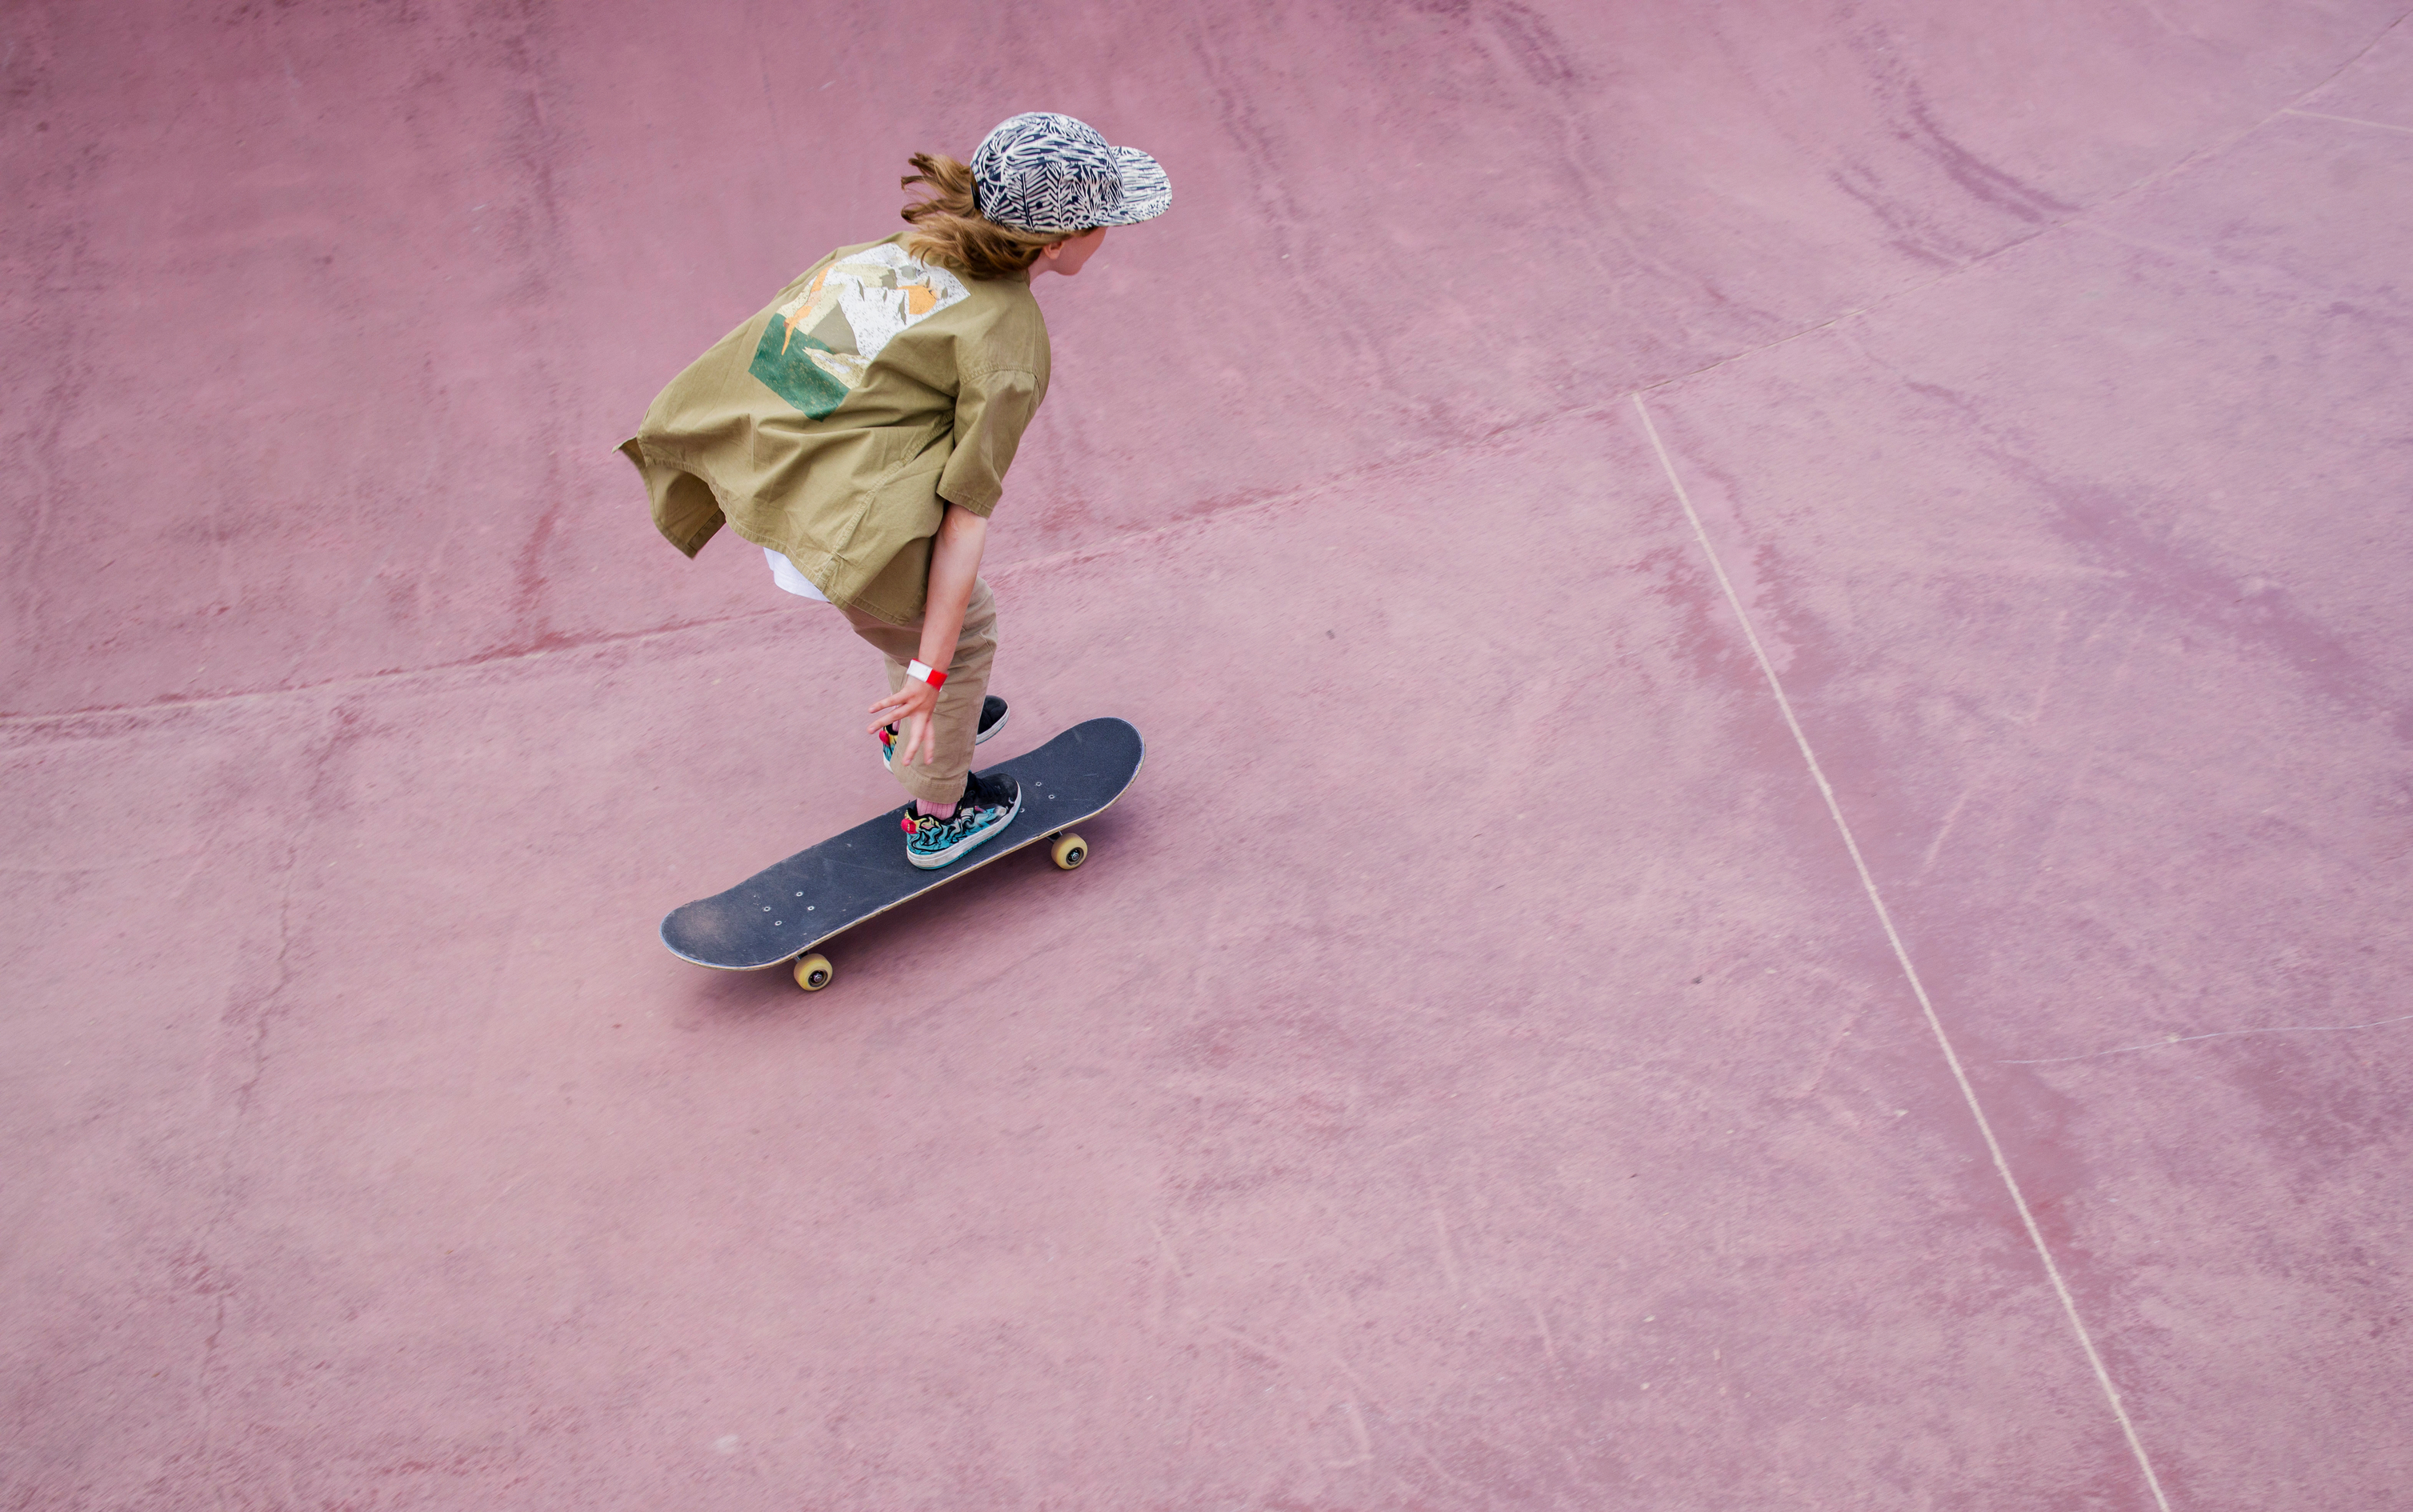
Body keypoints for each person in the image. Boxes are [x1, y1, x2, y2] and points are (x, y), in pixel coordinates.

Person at [622, 114, 1170, 869]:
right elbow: (963, 520)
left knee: (912, 622)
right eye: (1105, 223)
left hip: (775, 485)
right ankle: (940, 807)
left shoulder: (891, 257)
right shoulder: (1008, 339)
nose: (1111, 235)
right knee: (961, 630)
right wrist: (931, 672)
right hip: (841, 541)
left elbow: (789, 369)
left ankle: (921, 710)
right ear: (1055, 244)